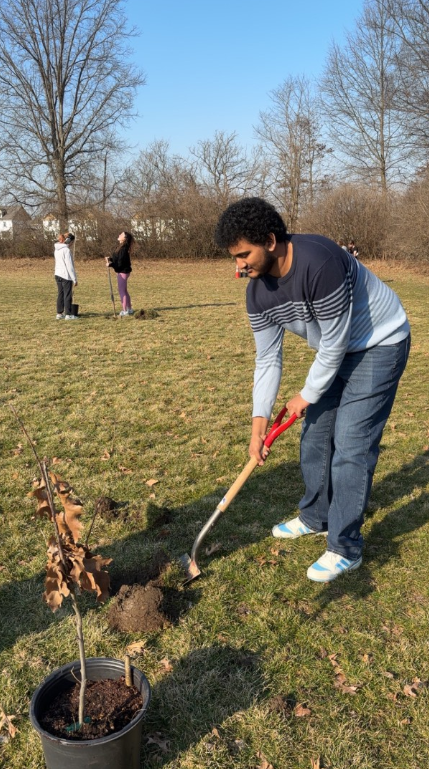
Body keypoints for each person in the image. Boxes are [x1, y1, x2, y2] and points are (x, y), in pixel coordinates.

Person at [215, 197, 410, 583]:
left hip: (379, 342)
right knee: (316, 436)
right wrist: (259, 423)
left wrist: (305, 394)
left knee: (352, 444)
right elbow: (267, 360)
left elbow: (335, 343)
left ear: (270, 240)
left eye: (243, 255)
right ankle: (316, 516)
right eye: (234, 257)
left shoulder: (320, 261)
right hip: (334, 352)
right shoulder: (257, 293)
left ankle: (345, 547)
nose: (238, 266)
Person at [105, 231, 135, 316]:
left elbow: (120, 263)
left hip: (123, 272)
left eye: (121, 235)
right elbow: (117, 259)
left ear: (125, 239)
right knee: (124, 291)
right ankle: (129, 309)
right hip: (123, 271)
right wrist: (110, 259)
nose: (119, 235)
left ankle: (125, 310)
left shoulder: (123, 249)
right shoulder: (121, 247)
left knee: (122, 291)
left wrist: (111, 264)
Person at [54, 232, 78, 320]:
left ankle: (59, 313)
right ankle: (68, 314)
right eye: (72, 243)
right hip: (65, 275)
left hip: (57, 274)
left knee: (60, 294)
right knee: (67, 294)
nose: (72, 245)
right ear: (69, 241)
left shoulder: (57, 249)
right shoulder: (66, 250)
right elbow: (69, 266)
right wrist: (74, 279)